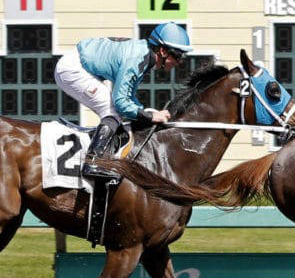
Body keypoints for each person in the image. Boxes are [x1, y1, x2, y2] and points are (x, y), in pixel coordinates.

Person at [54, 22, 193, 179]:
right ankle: (91, 162)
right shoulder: (137, 59)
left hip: (82, 66)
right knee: (112, 111)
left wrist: (145, 112)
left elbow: (127, 97)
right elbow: (121, 102)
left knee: (116, 111)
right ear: (162, 51)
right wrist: (151, 117)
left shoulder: (144, 56)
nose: (180, 61)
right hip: (73, 69)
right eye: (178, 55)